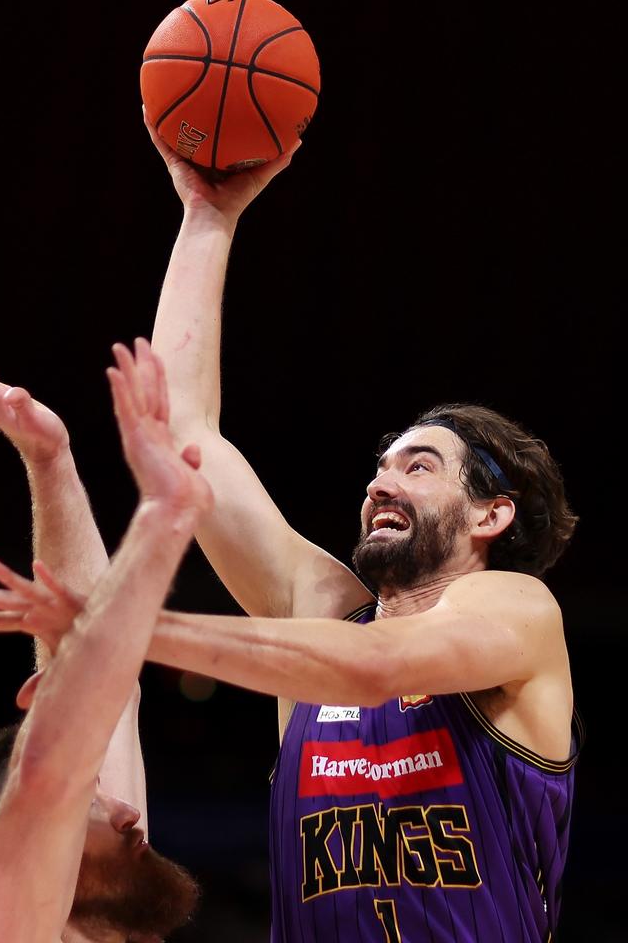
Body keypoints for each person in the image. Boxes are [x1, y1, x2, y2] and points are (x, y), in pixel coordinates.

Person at [141, 115, 583, 942]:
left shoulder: (518, 611)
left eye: (418, 466)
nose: (382, 479)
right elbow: (184, 437)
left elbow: (378, 668)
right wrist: (208, 216)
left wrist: (136, 628)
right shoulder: (320, 611)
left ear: (493, 514)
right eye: (380, 466)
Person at [0, 337, 210, 943]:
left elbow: (114, 696)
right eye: (89, 806)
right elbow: (48, 773)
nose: (129, 814)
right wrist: (165, 515)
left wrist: (50, 461)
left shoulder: (97, 904)